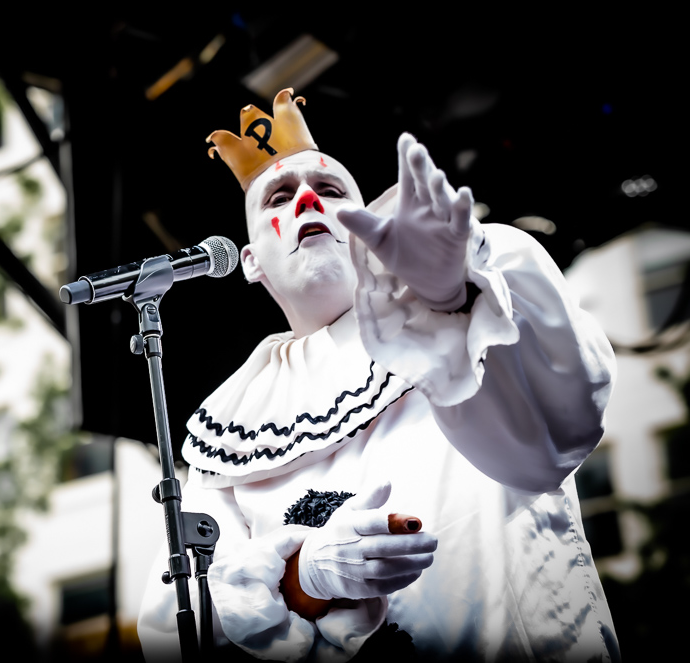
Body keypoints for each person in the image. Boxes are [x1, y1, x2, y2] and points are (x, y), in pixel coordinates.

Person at [136, 88, 620, 662]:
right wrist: (303, 579)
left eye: (331, 190)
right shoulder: (228, 435)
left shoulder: (474, 301)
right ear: (251, 261)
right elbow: (177, 634)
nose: (307, 203)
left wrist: (454, 297)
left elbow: (552, 440)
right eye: (279, 198)